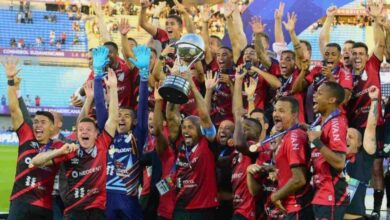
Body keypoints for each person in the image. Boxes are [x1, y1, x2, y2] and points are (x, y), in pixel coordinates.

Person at [31, 46, 119, 219]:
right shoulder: (69, 150)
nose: (84, 132)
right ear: (76, 133)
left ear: (96, 134)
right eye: (80, 130)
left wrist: (114, 89)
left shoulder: (102, 143)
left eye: (88, 130)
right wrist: (59, 151)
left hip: (98, 211)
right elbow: (35, 161)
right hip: (73, 213)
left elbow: (113, 119)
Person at [3, 57, 64, 220]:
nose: (37, 125)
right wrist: (10, 81)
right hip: (20, 202)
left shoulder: (59, 146)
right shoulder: (26, 136)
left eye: (43, 122)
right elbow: (15, 110)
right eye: (35, 122)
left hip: (45, 206)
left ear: (53, 127)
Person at [103, 45, 150, 220]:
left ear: (135, 121)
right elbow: (103, 112)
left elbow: (143, 108)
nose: (121, 118)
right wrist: (102, 79)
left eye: (126, 116)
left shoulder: (137, 136)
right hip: (107, 200)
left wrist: (144, 77)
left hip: (129, 202)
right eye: (119, 115)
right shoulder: (108, 136)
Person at [170, 70, 219, 219]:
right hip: (180, 208)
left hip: (203, 209)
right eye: (184, 127)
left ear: (200, 130)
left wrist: (191, 83)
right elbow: (171, 116)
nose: (185, 131)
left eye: (190, 127)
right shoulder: (181, 147)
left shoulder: (207, 143)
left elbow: (204, 115)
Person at [308, 81, 349, 219]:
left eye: (319, 93)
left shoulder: (336, 123)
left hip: (331, 196)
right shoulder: (323, 122)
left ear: (332, 100)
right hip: (321, 194)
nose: (314, 96)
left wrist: (316, 142)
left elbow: (339, 162)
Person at [269, 96, 314, 218]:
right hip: (291, 208)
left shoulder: (294, 136)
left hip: (298, 207)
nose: (276, 114)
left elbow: (299, 179)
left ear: (294, 115)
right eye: (275, 110)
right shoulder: (287, 136)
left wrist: (276, 196)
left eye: (282, 111)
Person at [344, 86, 379, 219]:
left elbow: (371, 127)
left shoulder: (364, 158)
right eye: (344, 135)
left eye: (351, 137)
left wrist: (374, 100)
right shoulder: (335, 158)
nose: (346, 138)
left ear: (360, 143)